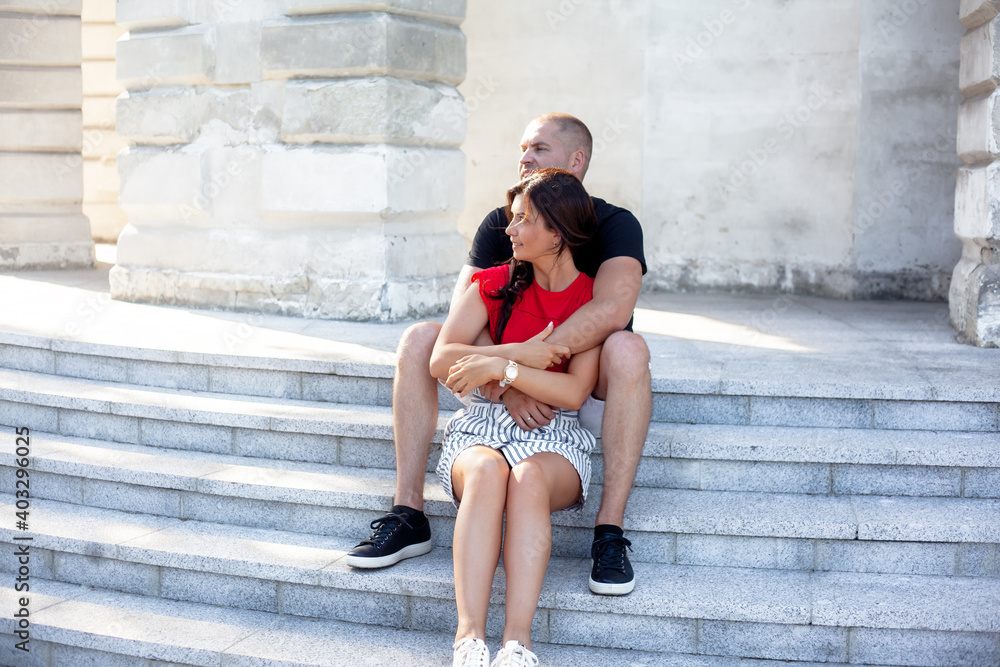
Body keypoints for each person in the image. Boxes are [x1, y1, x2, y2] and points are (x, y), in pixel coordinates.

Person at [346, 113, 650, 598]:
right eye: (523, 148)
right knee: (421, 339)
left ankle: (608, 532)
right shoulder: (502, 221)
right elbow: (461, 319)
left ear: (577, 160)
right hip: (504, 382)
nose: (525, 158)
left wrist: (525, 365)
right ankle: (408, 513)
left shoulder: (615, 223)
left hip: (586, 380)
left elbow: (613, 307)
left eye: (539, 149)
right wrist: (508, 381)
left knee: (629, 348)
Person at [434, 168, 601, 667]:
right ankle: (469, 638)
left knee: (526, 479)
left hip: (555, 432)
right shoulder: (494, 282)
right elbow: (442, 359)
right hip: (482, 424)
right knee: (487, 471)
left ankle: (517, 643)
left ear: (559, 232)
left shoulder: (590, 300)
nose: (509, 230)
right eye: (512, 219)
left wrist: (498, 366)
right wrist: (513, 361)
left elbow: (572, 389)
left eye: (523, 220)